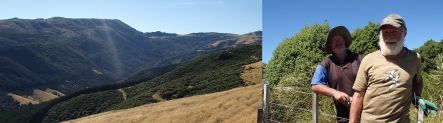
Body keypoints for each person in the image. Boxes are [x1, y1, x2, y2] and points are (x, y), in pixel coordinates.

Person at [349, 14, 423, 122]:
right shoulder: (368, 59)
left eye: (394, 32)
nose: (389, 37)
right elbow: (358, 95)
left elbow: (417, 82)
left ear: (404, 32)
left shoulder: (415, 58)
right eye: (386, 32)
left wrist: (419, 102)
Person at [311, 26, 362, 123]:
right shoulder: (326, 63)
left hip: (366, 113)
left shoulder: (359, 59)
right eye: (334, 40)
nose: (337, 41)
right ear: (330, 45)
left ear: (345, 41)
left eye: (340, 38)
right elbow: (315, 85)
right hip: (344, 117)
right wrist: (335, 93)